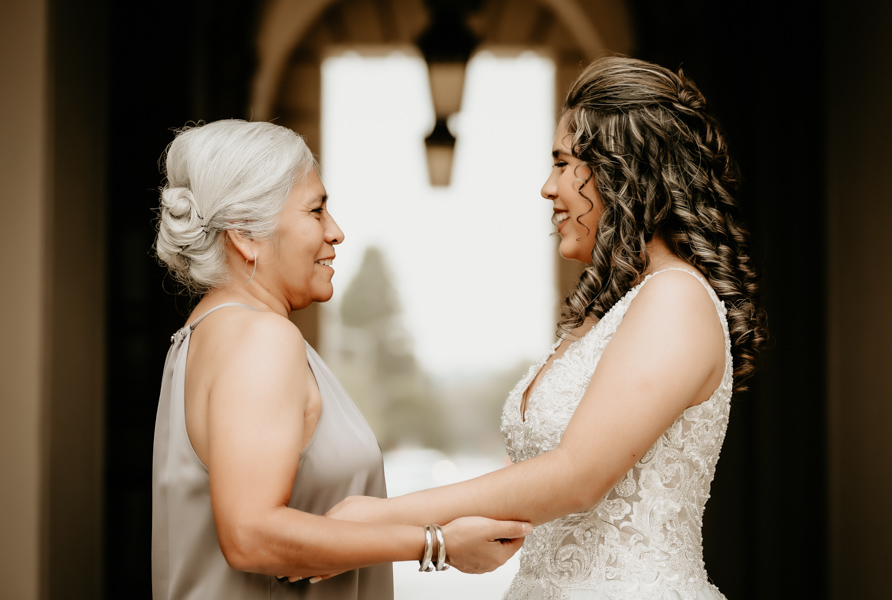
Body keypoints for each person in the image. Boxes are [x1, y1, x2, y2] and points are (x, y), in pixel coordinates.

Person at [327, 56, 767, 600]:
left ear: (619, 168)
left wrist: (382, 517)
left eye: (562, 163)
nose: (546, 188)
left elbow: (576, 476)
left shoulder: (676, 298)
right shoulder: (611, 311)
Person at [150, 119, 530, 600]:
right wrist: (437, 545)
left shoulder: (202, 335)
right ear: (245, 234)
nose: (336, 232)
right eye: (316, 210)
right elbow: (250, 536)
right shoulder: (260, 339)